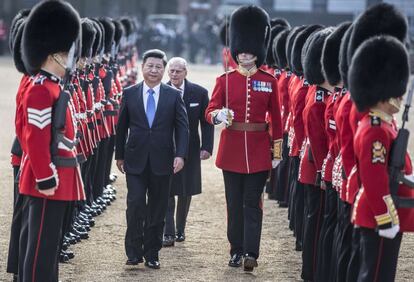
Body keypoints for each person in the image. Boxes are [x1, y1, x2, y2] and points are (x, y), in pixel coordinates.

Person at [205, 5, 283, 272]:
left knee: (253, 204)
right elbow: (209, 110)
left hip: (259, 151)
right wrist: (217, 116)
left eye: (250, 51)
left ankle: (251, 251)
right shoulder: (224, 80)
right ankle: (235, 249)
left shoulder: (268, 81)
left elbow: (278, 119)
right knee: (234, 205)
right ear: (236, 50)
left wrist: (277, 152)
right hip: (232, 150)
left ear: (257, 51)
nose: (246, 54)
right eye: (242, 50)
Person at [18, 1, 85, 281]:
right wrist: (45, 176)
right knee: (41, 247)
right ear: (55, 55)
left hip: (60, 174)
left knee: (50, 244)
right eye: (66, 53)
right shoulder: (41, 89)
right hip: (47, 179)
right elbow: (35, 137)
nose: (70, 58)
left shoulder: (54, 86)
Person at [115, 49, 189, 269]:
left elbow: (183, 128)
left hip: (163, 160)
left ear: (163, 69)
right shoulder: (129, 93)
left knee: (157, 208)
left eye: (158, 67)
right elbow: (121, 128)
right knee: (135, 204)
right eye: (150, 66)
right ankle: (133, 252)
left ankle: (152, 253)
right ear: (142, 67)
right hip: (135, 159)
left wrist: (180, 155)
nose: (154, 70)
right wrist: (119, 155)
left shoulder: (173, 95)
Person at [348, 34, 414, 282]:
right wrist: (386, 219)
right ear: (381, 92)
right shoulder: (375, 128)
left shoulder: (385, 125)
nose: (400, 96)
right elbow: (374, 178)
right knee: (376, 276)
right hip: (379, 215)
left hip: (384, 211)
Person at [163, 57, 214, 247]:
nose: (174, 74)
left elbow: (206, 122)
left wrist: (207, 147)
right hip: (167, 148)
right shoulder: (162, 91)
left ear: (186, 72)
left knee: (186, 190)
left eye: (178, 71)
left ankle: (180, 229)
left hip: (191, 149)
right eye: (172, 71)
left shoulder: (199, 93)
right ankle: (168, 232)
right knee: (167, 190)